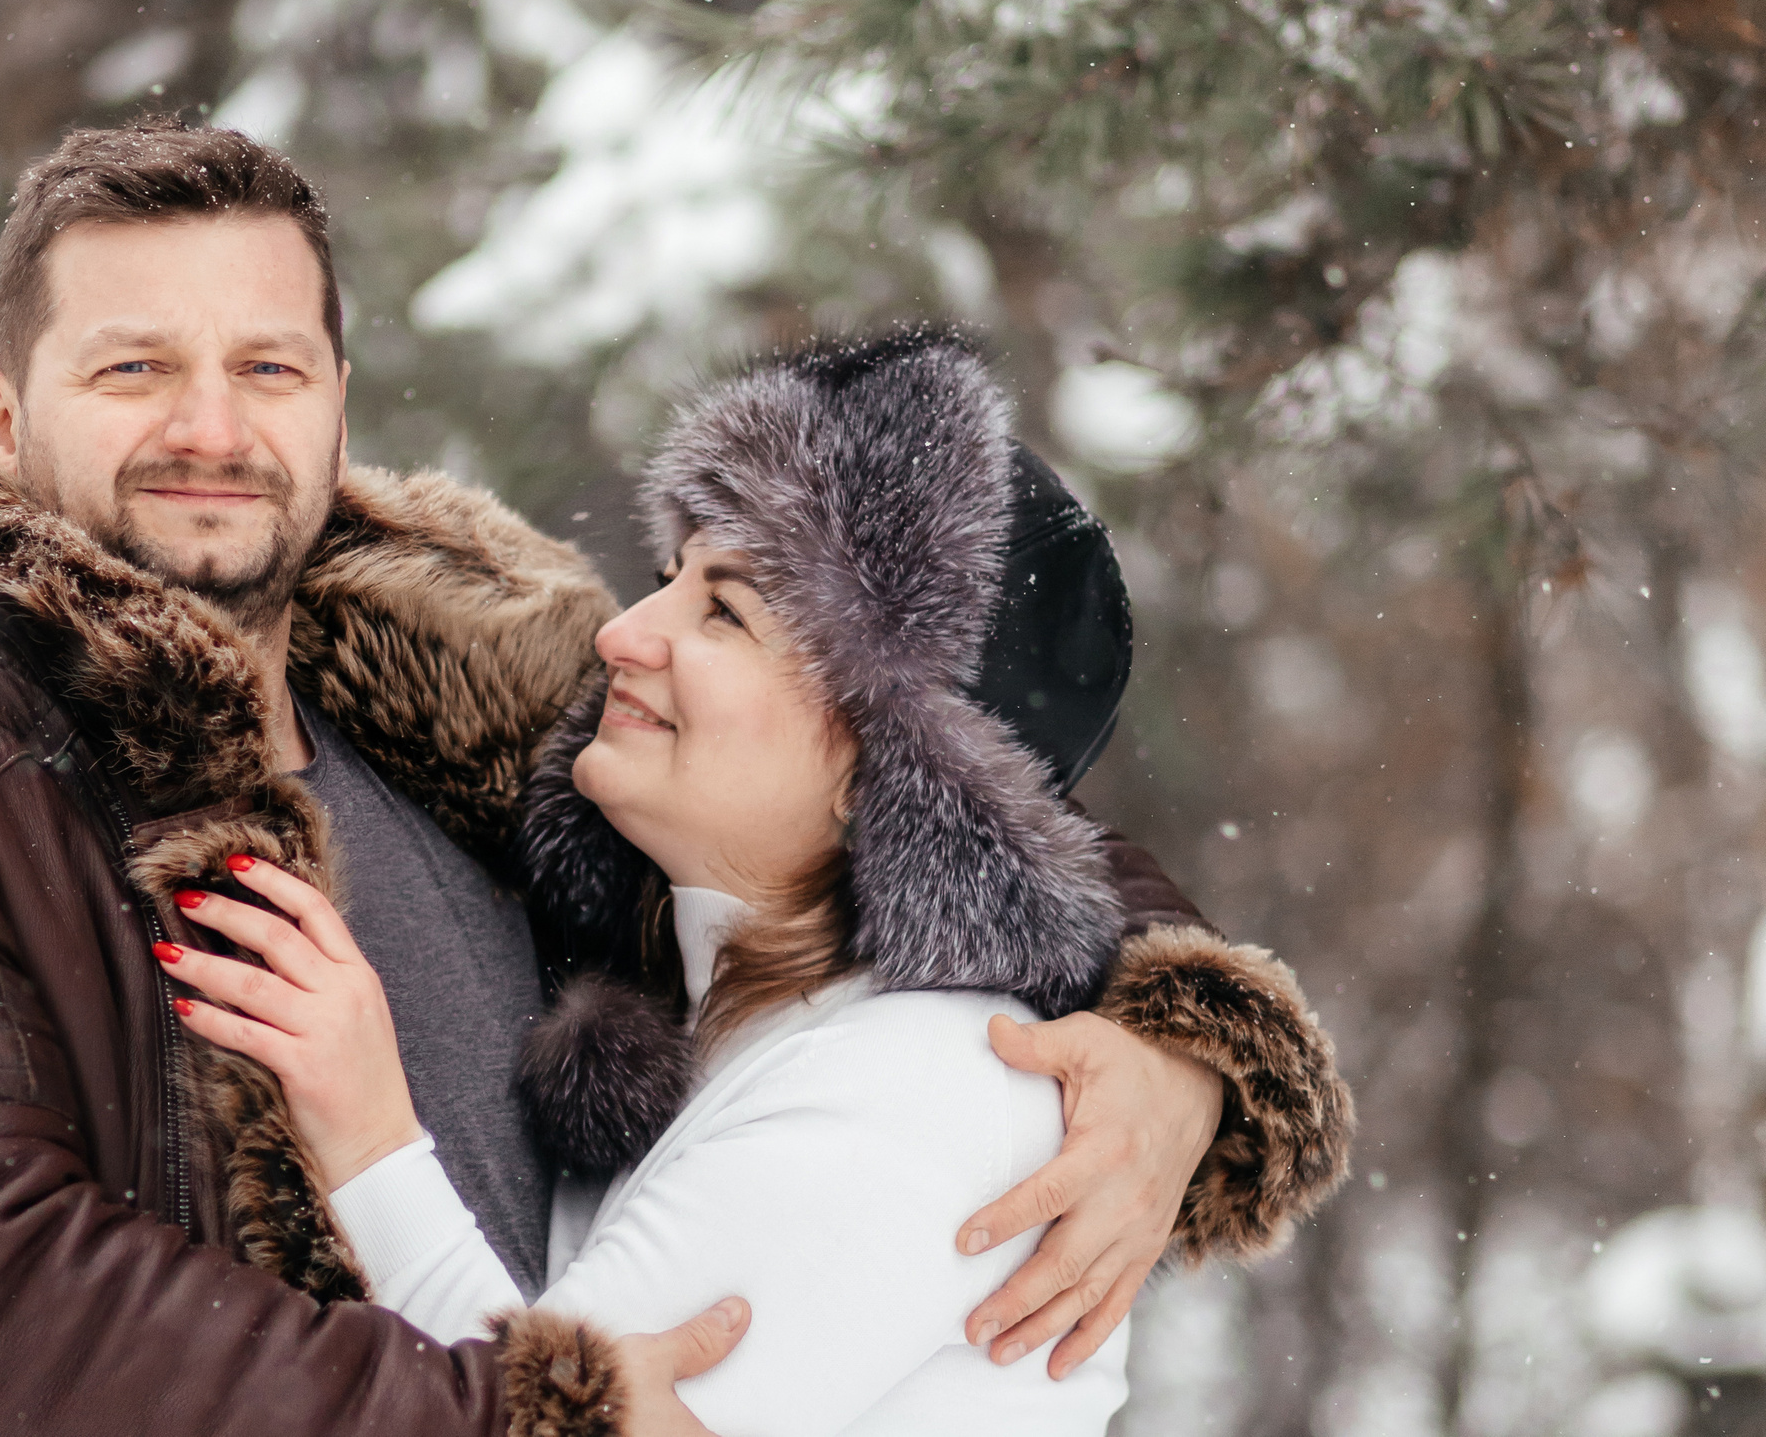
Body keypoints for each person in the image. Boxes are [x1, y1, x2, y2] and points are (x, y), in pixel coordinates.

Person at [0, 121, 1349, 1436]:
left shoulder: (488, 724)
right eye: (131, 366)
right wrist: (514, 1418)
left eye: (267, 365)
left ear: (338, 405)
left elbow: (957, 782)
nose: (209, 424)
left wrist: (1168, 1035)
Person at [154, 334, 1354, 1432]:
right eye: (672, 571)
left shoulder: (926, 1094)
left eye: (723, 610)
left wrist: (366, 1133)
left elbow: (524, 1412)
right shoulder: (708, 1023)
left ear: (880, 770)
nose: (626, 630)